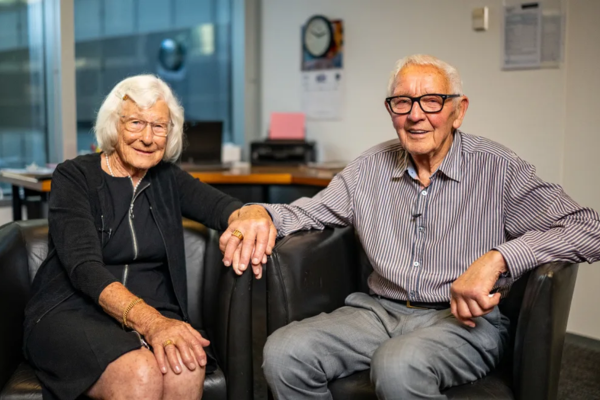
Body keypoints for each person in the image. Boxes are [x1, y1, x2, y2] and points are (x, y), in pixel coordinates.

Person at [221, 54, 600, 399]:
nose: (415, 115)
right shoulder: (367, 168)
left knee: (398, 363)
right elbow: (310, 212)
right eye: (402, 102)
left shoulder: (498, 169)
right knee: (283, 352)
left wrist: (498, 258)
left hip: (461, 321)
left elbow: (589, 228)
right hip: (376, 312)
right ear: (391, 111)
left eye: (431, 101)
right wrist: (259, 212)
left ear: (458, 110)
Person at [23, 74, 274, 400]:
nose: (147, 137)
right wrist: (153, 324)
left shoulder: (169, 180)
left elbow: (226, 207)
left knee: (186, 367)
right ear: (114, 125)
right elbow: (84, 267)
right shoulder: (75, 176)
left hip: (158, 308)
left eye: (159, 127)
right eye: (136, 123)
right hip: (73, 312)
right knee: (141, 372)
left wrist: (256, 215)